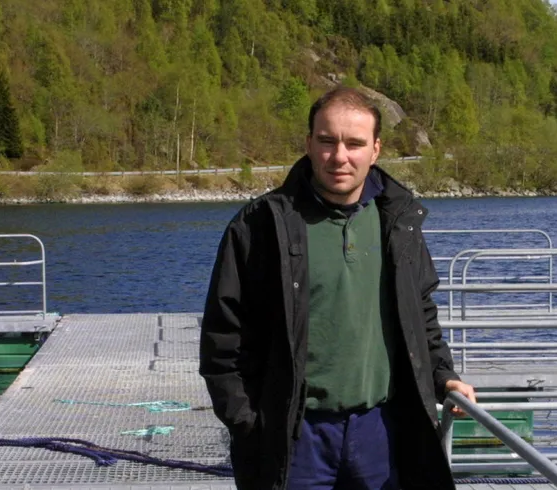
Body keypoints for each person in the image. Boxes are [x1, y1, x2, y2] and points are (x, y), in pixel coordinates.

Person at [199, 86, 476, 490]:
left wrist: (443, 376)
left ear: (376, 149)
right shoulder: (260, 225)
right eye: (327, 141)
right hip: (295, 437)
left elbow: (420, 314)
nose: (340, 156)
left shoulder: (397, 223)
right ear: (309, 143)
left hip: (381, 430)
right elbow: (223, 338)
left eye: (355, 143)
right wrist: (248, 423)